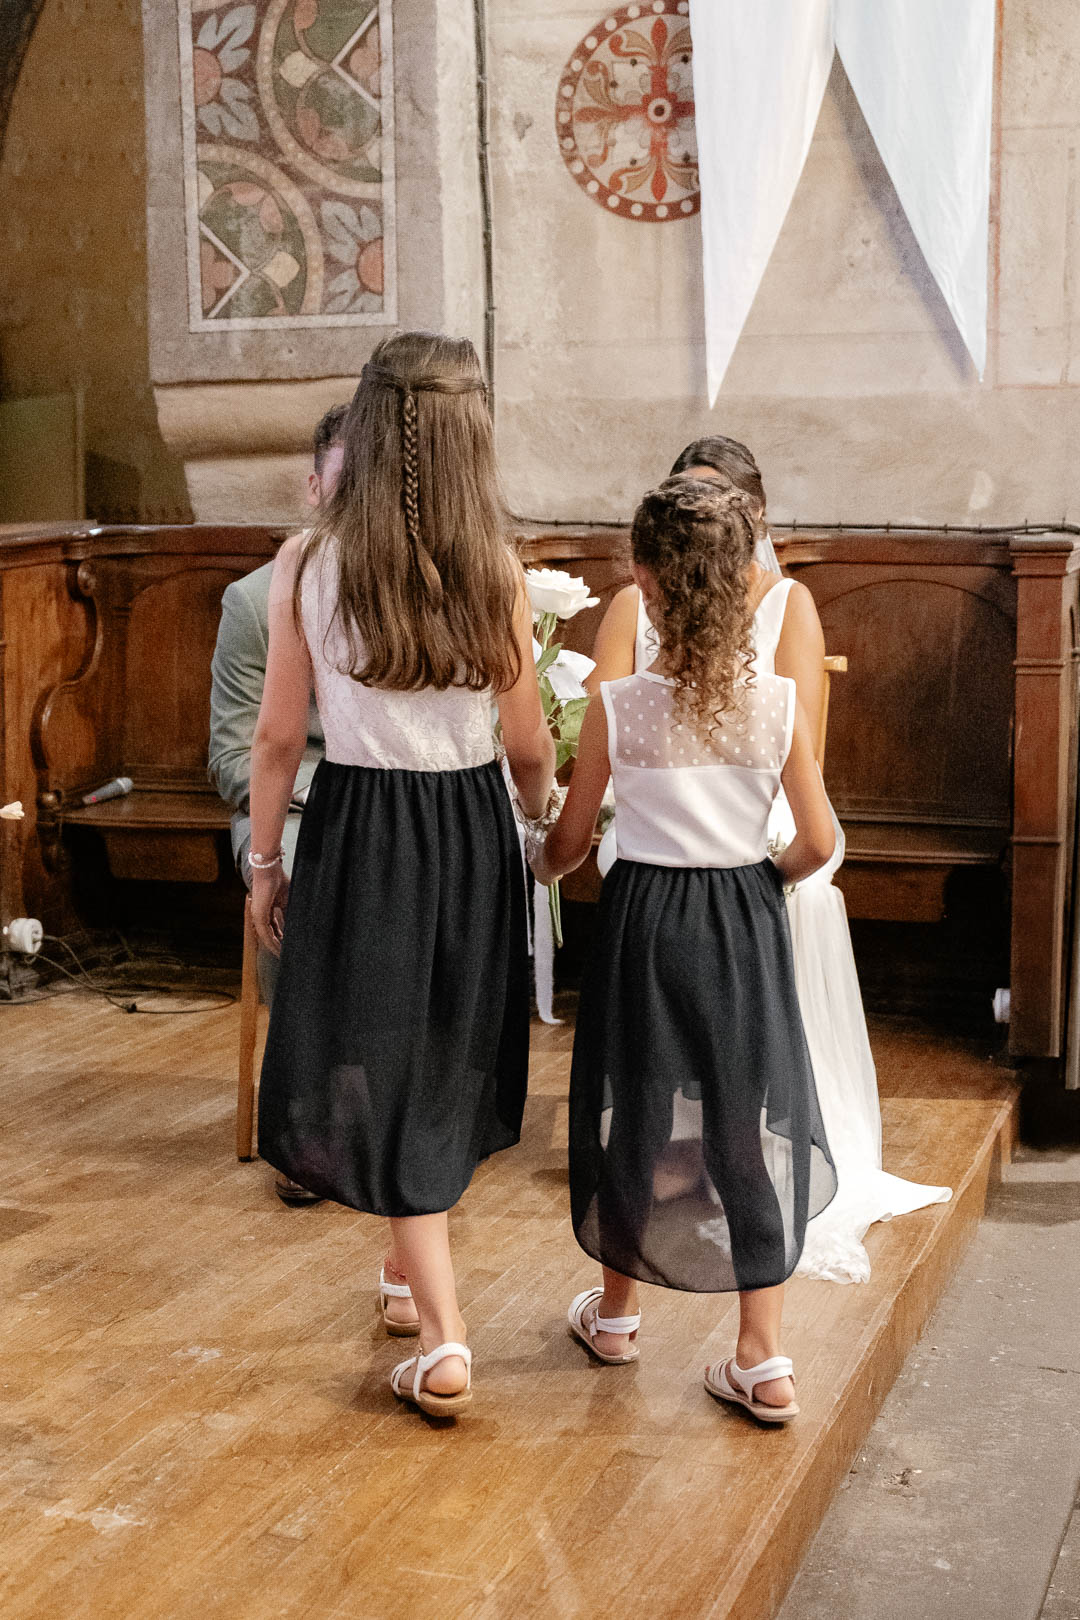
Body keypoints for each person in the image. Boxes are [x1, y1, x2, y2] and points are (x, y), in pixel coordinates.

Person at [247, 331, 555, 1417]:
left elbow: (277, 739)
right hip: (469, 827)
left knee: (376, 1049)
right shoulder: (497, 569)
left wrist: (264, 862)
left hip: (361, 827)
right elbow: (527, 744)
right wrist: (539, 831)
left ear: (370, 430)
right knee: (441, 1051)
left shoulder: (308, 563)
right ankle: (402, 1267)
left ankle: (445, 1337)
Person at [588, 435, 950, 1284]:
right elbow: (608, 738)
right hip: (698, 845)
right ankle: (754, 1314)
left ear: (753, 518)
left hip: (732, 834)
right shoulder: (633, 615)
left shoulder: (786, 607)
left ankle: (621, 1298)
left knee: (642, 1102)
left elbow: (802, 772)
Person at [528, 477, 837, 1422]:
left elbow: (572, 841)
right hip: (741, 920)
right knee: (742, 1131)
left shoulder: (619, 706)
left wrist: (536, 857)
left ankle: (617, 1317)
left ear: (646, 583)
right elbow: (820, 841)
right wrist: (762, 883)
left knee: (636, 1113)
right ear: (743, 581)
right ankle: (763, 1358)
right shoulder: (777, 703)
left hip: (645, 925)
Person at [208, 402, 348, 1207]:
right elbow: (234, 756)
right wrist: (328, 795)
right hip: (288, 809)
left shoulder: (408, 591)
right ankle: (305, 1120)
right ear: (312, 487)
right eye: (341, 483)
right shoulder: (255, 600)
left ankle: (417, 1103)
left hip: (382, 796)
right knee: (305, 883)